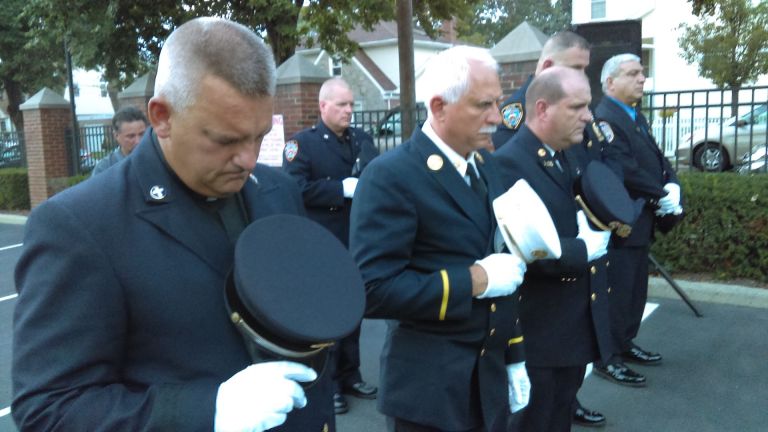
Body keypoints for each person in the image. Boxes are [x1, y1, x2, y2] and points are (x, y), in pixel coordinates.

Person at [12, 17, 338, 432]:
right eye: (225, 140)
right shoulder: (81, 226)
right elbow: (50, 408)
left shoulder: (276, 191)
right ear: (162, 116)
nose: (249, 159)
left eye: (258, 136)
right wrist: (207, 411)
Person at [350, 45, 530, 432]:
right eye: (483, 105)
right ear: (439, 107)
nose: (496, 117)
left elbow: (504, 263)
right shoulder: (392, 176)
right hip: (430, 391)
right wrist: (474, 280)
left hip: (489, 375)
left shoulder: (486, 166)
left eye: (497, 103)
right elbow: (372, 289)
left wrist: (514, 354)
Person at [492, 30, 609, 427]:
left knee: (558, 420)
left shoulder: (563, 157)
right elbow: (524, 253)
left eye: (588, 106)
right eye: (578, 107)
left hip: (570, 330)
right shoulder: (510, 164)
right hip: (538, 335)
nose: (589, 116)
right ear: (542, 109)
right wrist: (583, 249)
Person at [282, 77, 379, 414]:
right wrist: (340, 189)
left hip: (358, 238)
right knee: (329, 314)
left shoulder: (362, 140)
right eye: (342, 104)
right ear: (323, 106)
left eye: (351, 104)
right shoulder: (303, 145)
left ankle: (351, 374)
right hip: (325, 240)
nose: (349, 110)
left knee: (355, 310)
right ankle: (331, 383)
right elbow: (296, 187)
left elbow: (377, 178)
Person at [592, 53, 683, 387]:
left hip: (642, 218)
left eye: (642, 73)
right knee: (619, 293)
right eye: (633, 73)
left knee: (635, 292)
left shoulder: (634, 116)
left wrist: (672, 183)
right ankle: (608, 358)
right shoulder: (606, 119)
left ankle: (625, 343)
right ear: (610, 82)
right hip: (623, 220)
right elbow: (625, 167)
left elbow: (657, 158)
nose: (642, 78)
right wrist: (661, 193)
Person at [90, 106, 149, 176]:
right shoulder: (105, 168)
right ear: (116, 136)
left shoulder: (156, 161)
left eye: (142, 134)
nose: (138, 141)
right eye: (131, 136)